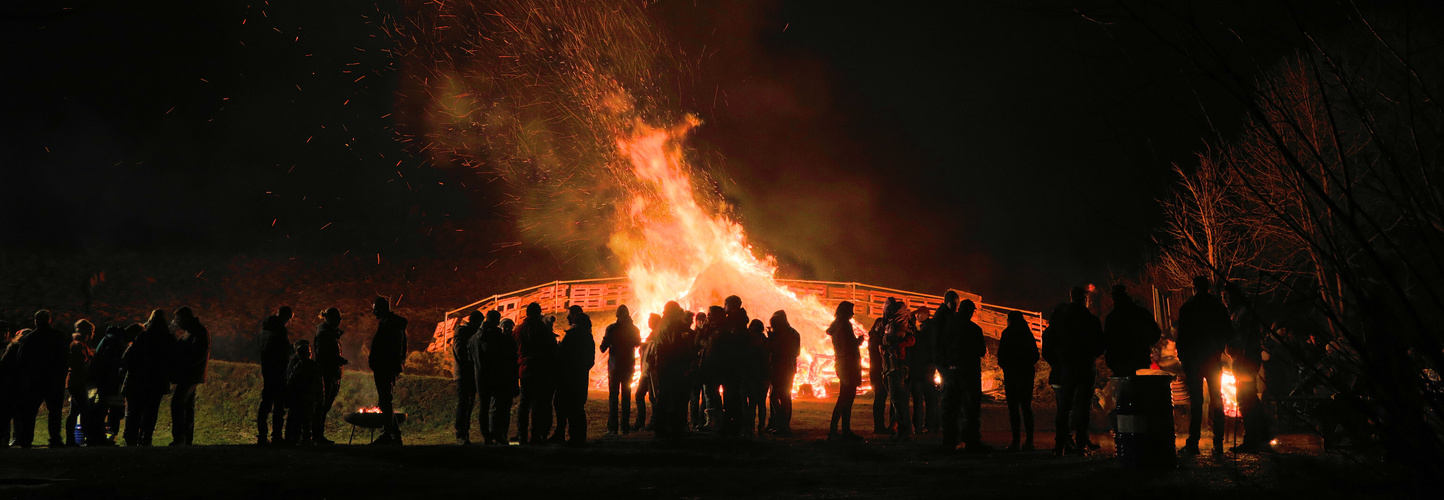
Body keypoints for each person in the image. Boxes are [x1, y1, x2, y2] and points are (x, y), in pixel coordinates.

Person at [1042, 287, 1104, 456]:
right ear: (1086, 300)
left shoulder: (1060, 320)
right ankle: (1081, 445)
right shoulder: (1091, 321)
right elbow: (1100, 346)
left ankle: (1060, 445)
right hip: (1085, 367)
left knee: (1064, 407)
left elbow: (1049, 346)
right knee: (1084, 407)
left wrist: (1058, 362)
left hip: (1067, 367)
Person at [1176, 276, 1231, 455]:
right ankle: (1218, 443)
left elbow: (1182, 336)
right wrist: (1219, 349)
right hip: (1212, 359)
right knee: (1217, 400)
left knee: (1196, 402)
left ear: (1194, 287)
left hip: (1194, 360)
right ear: (1208, 287)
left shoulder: (1188, 307)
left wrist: (1183, 356)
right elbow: (1227, 331)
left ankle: (1193, 443)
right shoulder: (1217, 307)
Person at [1223, 283, 1273, 453]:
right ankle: (1263, 433)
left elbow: (1244, 337)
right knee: (1250, 397)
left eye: (1227, 296)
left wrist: (1234, 345)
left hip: (1246, 359)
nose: (1225, 300)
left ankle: (1251, 438)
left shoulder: (1244, 312)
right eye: (1223, 296)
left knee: (1245, 399)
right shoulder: (1236, 312)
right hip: (1241, 359)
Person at [14, 310, 68, 448]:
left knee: (30, 411)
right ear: (50, 320)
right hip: (53, 380)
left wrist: (24, 379)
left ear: (35, 321)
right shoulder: (58, 336)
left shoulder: (29, 339)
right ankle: (55, 438)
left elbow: (21, 361)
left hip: (34, 380)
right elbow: (65, 359)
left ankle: (26, 439)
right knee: (55, 411)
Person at [122, 310, 176, 447]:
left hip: (137, 380)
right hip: (157, 382)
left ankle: (130, 438)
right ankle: (146, 438)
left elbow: (127, 357)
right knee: (151, 412)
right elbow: (173, 360)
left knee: (134, 411)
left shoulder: (143, 337)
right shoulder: (168, 339)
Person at [469, 310, 517, 445]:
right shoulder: (497, 337)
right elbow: (506, 357)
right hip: (496, 376)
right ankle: (498, 433)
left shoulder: (474, 337)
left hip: (479, 375)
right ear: (497, 321)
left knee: (484, 407)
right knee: (498, 407)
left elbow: (469, 356)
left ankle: (486, 435)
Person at [551, 306, 595, 445]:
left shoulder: (572, 335)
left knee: (564, 405)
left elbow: (562, 356)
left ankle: (573, 437)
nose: (568, 318)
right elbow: (590, 361)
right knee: (576, 407)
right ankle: (576, 437)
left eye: (570, 316)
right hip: (580, 378)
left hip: (568, 378)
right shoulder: (588, 336)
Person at [515, 302, 557, 445]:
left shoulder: (518, 330)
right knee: (537, 404)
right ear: (539, 314)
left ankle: (521, 434)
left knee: (524, 403)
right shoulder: (543, 330)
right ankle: (535, 434)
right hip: (539, 371)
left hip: (524, 371)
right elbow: (551, 349)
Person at [996, 310, 1039, 451]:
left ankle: (1016, 442)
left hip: (1012, 375)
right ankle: (1029, 442)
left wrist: (1008, 367)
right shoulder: (1027, 334)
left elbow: (1001, 356)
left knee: (1013, 409)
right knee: (1026, 407)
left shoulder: (1007, 334)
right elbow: (1035, 355)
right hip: (1026, 375)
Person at [369, 297, 409, 445]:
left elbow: (384, 348)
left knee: (385, 400)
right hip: (388, 367)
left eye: (374, 308)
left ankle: (390, 434)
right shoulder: (395, 325)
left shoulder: (388, 325)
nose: (373, 312)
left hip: (384, 367)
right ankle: (392, 433)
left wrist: (377, 363)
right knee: (385, 400)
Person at [600, 305, 641, 435]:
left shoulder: (611, 329)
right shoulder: (634, 329)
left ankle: (612, 428)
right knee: (626, 396)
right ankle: (625, 427)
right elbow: (638, 343)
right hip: (628, 366)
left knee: (613, 396)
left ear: (617, 315)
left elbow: (603, 347)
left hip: (614, 366)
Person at [170, 307, 209, 446]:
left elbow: (197, 354)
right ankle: (186, 439)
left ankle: (179, 438)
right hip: (190, 374)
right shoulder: (192, 331)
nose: (178, 323)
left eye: (179, 320)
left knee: (177, 403)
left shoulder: (197, 332)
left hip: (190, 375)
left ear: (186, 318)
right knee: (187, 406)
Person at [1104, 285, 1162, 377]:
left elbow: (1108, 342)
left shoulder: (1112, 318)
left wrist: (1111, 361)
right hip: (1140, 360)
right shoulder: (1141, 313)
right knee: (1139, 387)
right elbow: (1155, 334)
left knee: (1124, 389)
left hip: (1120, 364)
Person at [256, 306, 294, 445]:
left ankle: (262, 435)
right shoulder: (280, 329)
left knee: (265, 403)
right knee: (279, 404)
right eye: (289, 319)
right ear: (285, 317)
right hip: (278, 370)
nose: (288, 322)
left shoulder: (263, 330)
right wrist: (292, 349)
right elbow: (282, 351)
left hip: (267, 369)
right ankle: (276, 435)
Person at [881, 299, 917, 441]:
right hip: (893, 365)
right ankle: (900, 429)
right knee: (898, 399)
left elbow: (911, 340)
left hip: (896, 366)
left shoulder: (897, 326)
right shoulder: (900, 323)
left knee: (898, 399)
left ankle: (904, 431)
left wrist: (895, 345)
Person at [827, 301, 863, 442]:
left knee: (845, 397)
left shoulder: (837, 325)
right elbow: (848, 345)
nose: (852, 314)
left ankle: (840, 430)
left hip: (842, 363)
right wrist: (858, 341)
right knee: (846, 398)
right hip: (848, 364)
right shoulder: (844, 325)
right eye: (850, 311)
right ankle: (838, 430)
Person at [311, 307, 347, 445]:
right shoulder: (325, 333)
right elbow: (322, 355)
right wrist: (337, 360)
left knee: (324, 407)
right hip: (327, 373)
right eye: (338, 317)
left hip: (333, 373)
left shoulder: (331, 333)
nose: (340, 319)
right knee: (321, 406)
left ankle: (318, 435)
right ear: (329, 318)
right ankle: (316, 435)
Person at [92, 325, 130, 440]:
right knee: (114, 408)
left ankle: (98, 434)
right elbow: (113, 361)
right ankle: (110, 435)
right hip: (111, 380)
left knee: (103, 407)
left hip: (102, 379)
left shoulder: (105, 340)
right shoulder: (115, 341)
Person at [452, 311, 484, 445]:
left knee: (468, 403)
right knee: (464, 402)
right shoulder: (463, 333)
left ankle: (464, 432)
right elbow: (461, 353)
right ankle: (461, 433)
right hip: (464, 373)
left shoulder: (468, 333)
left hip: (470, 372)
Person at [765, 310, 800, 435]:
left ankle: (782, 425)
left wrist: (771, 339)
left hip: (780, 367)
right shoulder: (794, 333)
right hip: (788, 367)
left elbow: (775, 350)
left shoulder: (781, 335)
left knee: (777, 396)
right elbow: (796, 352)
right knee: (784, 396)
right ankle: (782, 424)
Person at [283, 339, 323, 445]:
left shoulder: (294, 366)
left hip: (296, 398)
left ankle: (292, 438)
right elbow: (319, 383)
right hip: (308, 397)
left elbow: (289, 382)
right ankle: (305, 439)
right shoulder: (314, 366)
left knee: (295, 419)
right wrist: (320, 397)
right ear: (309, 354)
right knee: (307, 420)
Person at [65, 319, 98, 446]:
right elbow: (80, 363)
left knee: (74, 412)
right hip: (78, 381)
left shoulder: (79, 344)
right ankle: (88, 438)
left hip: (75, 381)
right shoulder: (79, 345)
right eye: (92, 331)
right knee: (84, 410)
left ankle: (70, 440)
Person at [908, 307, 939, 434]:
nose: (917, 317)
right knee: (928, 395)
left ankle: (928, 425)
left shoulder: (926, 329)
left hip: (925, 364)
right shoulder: (928, 327)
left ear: (925, 314)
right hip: (928, 364)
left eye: (919, 314)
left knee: (925, 395)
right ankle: (930, 425)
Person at [634, 313, 662, 432]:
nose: (648, 322)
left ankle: (655, 422)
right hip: (645, 371)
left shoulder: (658, 335)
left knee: (653, 397)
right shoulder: (651, 335)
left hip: (652, 372)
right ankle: (640, 422)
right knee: (639, 395)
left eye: (650, 320)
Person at [0, 324, 21, 447]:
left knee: (8, 411)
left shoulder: (12, 347)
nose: (4, 335)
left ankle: (8, 438)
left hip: (9, 383)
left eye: (5, 332)